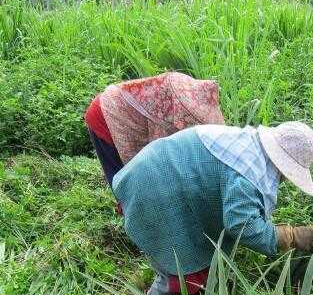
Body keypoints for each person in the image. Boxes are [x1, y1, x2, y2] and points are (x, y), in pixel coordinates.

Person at [111, 121, 313, 295]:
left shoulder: (247, 144)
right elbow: (242, 225)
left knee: (193, 265)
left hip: (153, 171)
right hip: (156, 192)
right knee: (179, 272)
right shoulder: (247, 173)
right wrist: (291, 236)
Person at [84, 72, 225, 213]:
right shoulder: (171, 106)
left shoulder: (186, 89)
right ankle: (135, 219)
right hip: (106, 114)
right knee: (124, 181)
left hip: (120, 106)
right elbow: (159, 159)